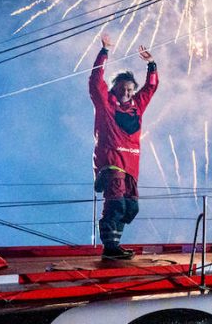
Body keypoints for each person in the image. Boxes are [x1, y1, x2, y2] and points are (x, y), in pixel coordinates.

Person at [89, 33, 158, 260]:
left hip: (131, 165)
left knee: (130, 207)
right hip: (111, 161)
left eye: (130, 89)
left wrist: (151, 64)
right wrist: (104, 51)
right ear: (114, 88)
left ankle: (115, 244)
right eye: (122, 88)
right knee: (116, 202)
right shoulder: (106, 104)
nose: (127, 92)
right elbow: (95, 81)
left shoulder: (137, 106)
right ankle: (110, 248)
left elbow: (150, 88)